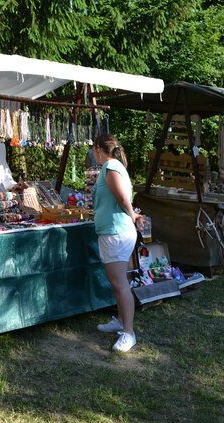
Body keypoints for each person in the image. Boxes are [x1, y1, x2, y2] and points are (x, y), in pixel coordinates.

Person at [92, 133, 143, 352]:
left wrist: (132, 214)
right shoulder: (113, 166)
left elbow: (122, 199)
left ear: (97, 148)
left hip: (116, 231)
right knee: (118, 281)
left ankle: (129, 333)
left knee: (119, 283)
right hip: (114, 230)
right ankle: (121, 321)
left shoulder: (111, 167)